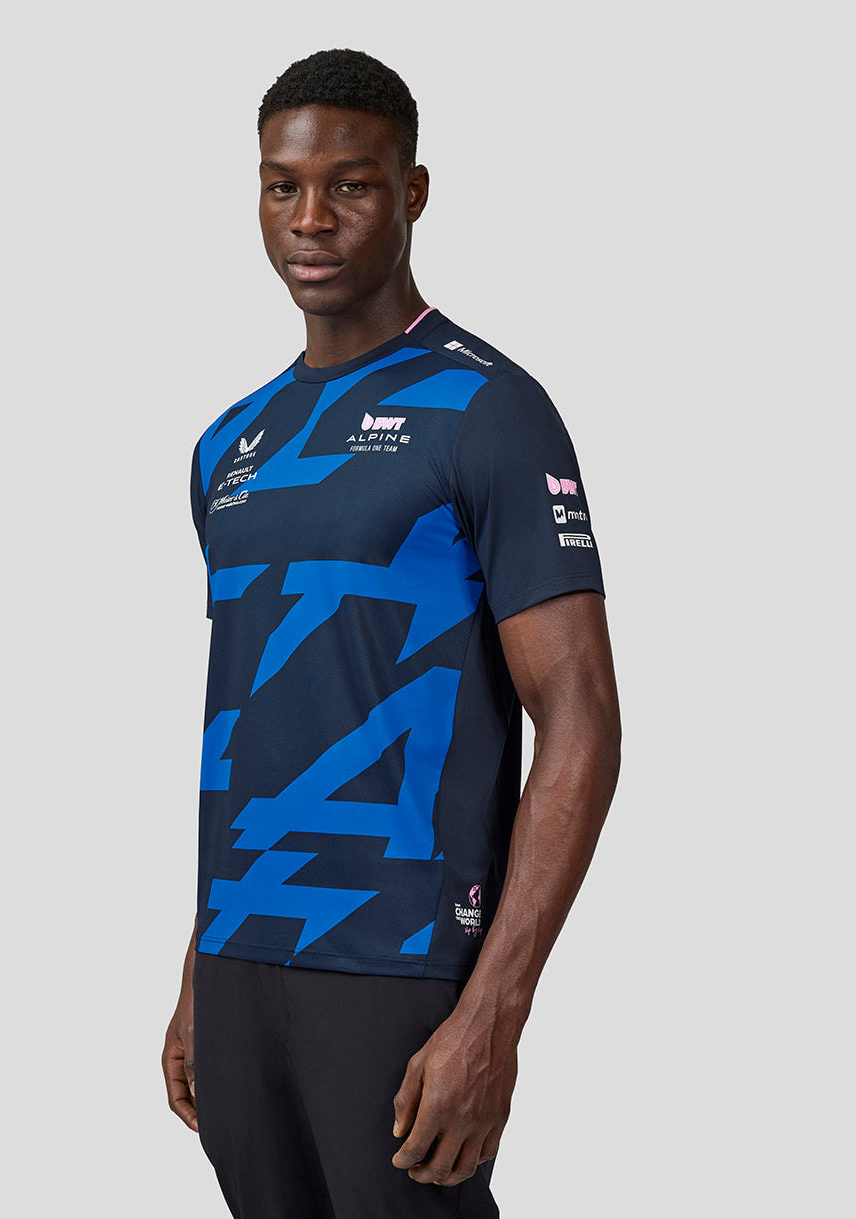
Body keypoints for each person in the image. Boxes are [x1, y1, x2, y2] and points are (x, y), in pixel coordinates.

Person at [162, 48, 621, 1219]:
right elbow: (261, 716)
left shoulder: (488, 410)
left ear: (412, 192)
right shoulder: (231, 443)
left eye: (350, 185)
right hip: (242, 960)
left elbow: (579, 718)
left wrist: (496, 1007)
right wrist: (198, 965)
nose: (310, 219)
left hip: (399, 958)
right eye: (282, 186)